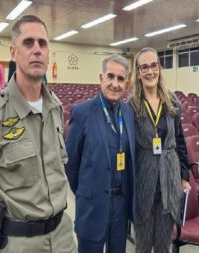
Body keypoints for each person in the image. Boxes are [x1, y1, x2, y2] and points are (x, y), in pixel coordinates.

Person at [0, 15, 77, 253]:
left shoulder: (55, 106)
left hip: (64, 237)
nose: (37, 50)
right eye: (28, 43)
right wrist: (0, 228)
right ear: (13, 52)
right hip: (19, 243)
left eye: (42, 44)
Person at [65, 54, 136, 253]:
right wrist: (86, 192)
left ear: (127, 83)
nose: (115, 84)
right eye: (110, 76)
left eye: (120, 79)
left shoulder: (128, 113)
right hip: (92, 204)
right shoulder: (82, 112)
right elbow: (71, 164)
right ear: (101, 78)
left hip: (120, 205)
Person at [129, 47, 191, 253]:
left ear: (159, 68)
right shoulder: (131, 106)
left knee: (164, 246)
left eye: (153, 65)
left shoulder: (172, 102)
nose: (149, 72)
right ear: (138, 72)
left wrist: (184, 177)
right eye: (144, 67)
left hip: (169, 179)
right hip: (143, 181)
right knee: (143, 246)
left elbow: (180, 141)